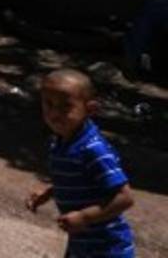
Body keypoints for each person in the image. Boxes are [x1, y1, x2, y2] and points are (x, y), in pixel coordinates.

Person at [26, 69, 135, 257]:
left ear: (90, 109)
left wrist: (85, 217)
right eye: (48, 104)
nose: (54, 113)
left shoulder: (94, 150)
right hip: (82, 242)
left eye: (65, 106)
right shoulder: (61, 141)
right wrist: (51, 191)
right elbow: (84, 180)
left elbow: (124, 197)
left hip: (107, 247)